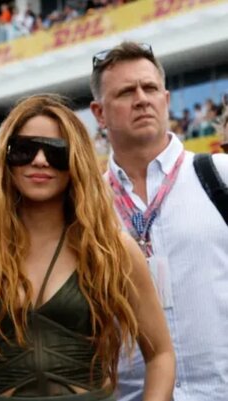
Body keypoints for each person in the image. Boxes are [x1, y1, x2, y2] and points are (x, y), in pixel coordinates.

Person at [0, 94, 174, 401]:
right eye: (24, 149)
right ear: (5, 157)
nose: (39, 160)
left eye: (56, 151)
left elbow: (160, 354)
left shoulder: (110, 248)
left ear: (75, 160)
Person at [89, 41, 228, 400]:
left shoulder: (220, 175)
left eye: (149, 88)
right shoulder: (85, 207)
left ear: (165, 99)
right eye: (125, 92)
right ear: (99, 114)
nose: (141, 99)